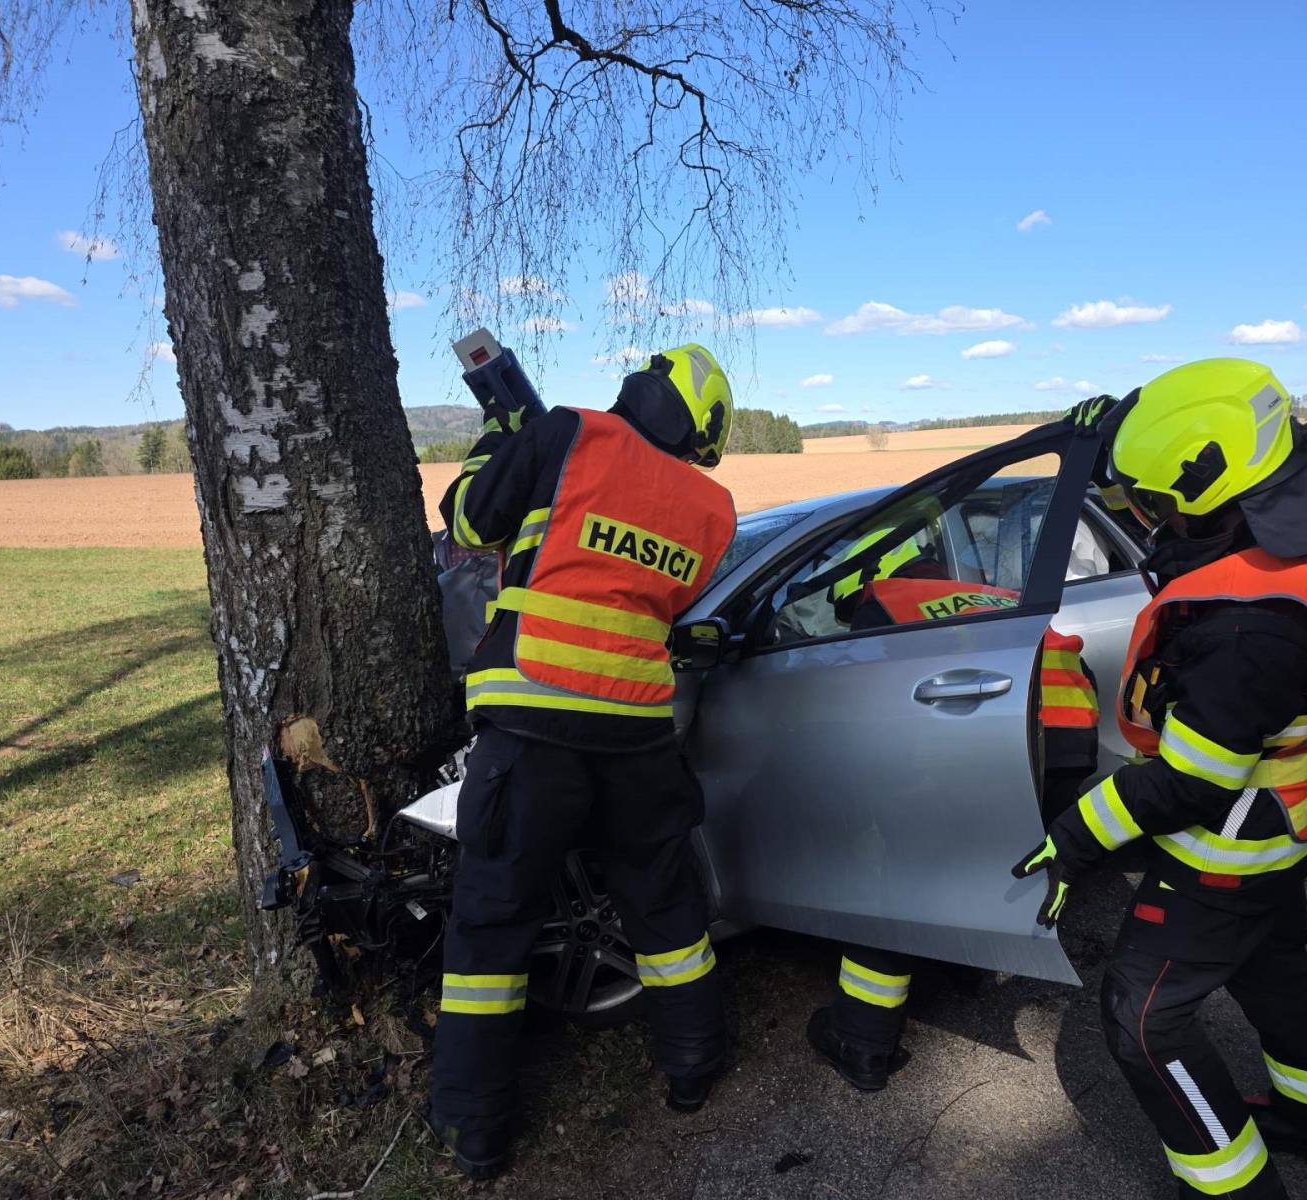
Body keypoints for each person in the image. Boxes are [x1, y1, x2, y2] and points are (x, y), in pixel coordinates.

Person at [1013, 363, 1307, 1198]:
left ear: (1205, 490)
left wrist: (1073, 837)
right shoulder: (1282, 529)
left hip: (1226, 848)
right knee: (1274, 969)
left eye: (1153, 502)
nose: (1144, 516)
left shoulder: (1247, 632)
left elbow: (1187, 785)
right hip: (1287, 820)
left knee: (1144, 1020)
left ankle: (1236, 1188)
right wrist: (1105, 441)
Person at [427, 345, 738, 1179]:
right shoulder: (714, 508)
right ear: (700, 431)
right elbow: (664, 601)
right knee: (667, 913)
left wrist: (500, 436)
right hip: (638, 734)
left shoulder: (566, 433)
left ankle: (475, 1133)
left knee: (492, 928)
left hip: (532, 727)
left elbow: (464, 523)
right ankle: (693, 1069)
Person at [807, 532, 1100, 1091]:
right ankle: (965, 963)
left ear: (860, 581)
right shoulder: (980, 591)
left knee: (892, 883)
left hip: (1011, 734)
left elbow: (867, 700)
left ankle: (863, 1043)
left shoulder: (883, 603)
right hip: (1068, 735)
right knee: (987, 854)